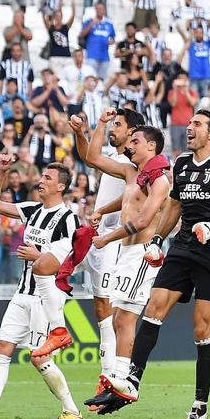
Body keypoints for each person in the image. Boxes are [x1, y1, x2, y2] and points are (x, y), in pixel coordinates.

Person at [100, 110, 210, 419]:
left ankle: (199, 405)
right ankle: (132, 380)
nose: (189, 128)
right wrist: (158, 239)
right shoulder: (182, 163)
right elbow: (173, 205)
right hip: (182, 247)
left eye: (197, 124)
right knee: (154, 309)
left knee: (202, 329)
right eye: (190, 123)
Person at [0, 154, 83, 419]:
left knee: (40, 358)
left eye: (47, 178)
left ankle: (71, 410)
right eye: (42, 176)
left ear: (61, 186)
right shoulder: (33, 210)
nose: (41, 181)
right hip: (22, 293)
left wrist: (39, 255)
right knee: (1, 347)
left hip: (44, 297)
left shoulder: (68, 219)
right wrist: (0, 172)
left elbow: (65, 260)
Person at [73, 112, 171, 415]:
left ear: (151, 146)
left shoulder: (161, 180)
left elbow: (143, 219)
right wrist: (102, 209)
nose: (130, 145)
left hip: (141, 253)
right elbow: (94, 159)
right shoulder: (134, 174)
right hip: (125, 253)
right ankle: (115, 383)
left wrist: (107, 238)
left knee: (125, 319)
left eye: (136, 141)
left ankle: (121, 382)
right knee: (118, 318)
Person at [73, 107, 140, 387]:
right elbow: (90, 156)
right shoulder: (114, 156)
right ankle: (107, 369)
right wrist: (80, 133)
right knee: (100, 303)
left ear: (132, 132)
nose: (113, 129)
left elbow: (130, 195)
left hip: (118, 237)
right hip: (99, 233)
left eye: (117, 125)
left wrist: (102, 208)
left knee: (114, 306)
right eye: (112, 125)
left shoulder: (138, 162)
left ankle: (116, 373)